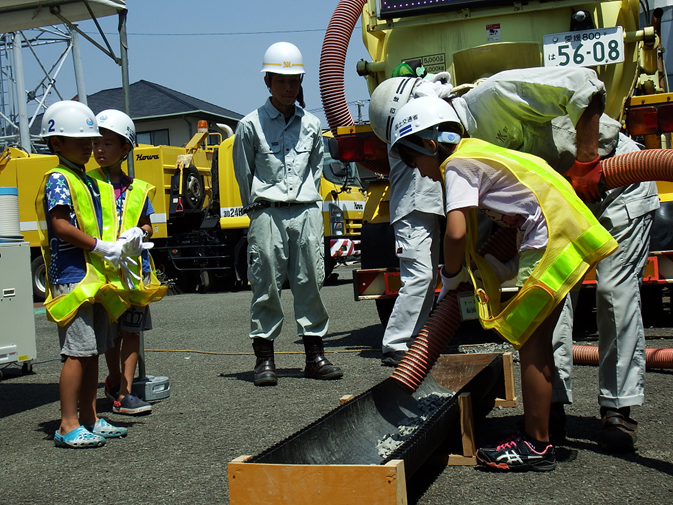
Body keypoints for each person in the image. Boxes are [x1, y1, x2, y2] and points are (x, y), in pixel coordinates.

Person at [370, 66, 657, 451]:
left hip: (610, 179)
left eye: (411, 153)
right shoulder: (464, 155)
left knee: (612, 293)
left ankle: (616, 412)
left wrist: (587, 163)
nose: (418, 172)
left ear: (424, 133)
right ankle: (549, 415)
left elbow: (586, 85)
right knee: (544, 320)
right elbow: (483, 240)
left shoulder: (492, 99)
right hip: (557, 212)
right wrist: (466, 281)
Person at [233, 42, 342, 386]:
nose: (288, 87)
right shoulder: (249, 125)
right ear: (267, 81)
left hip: (306, 211)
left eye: (294, 80)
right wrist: (257, 214)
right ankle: (265, 360)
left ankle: (315, 356)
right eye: (281, 80)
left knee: (310, 280)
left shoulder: (312, 124)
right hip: (266, 211)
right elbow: (243, 175)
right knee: (265, 283)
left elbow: (316, 170)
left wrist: (309, 202)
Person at [35, 100, 131, 447]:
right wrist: (99, 245)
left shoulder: (83, 178)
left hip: (93, 276)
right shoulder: (60, 178)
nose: (90, 148)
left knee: (93, 350)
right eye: (82, 141)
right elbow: (60, 225)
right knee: (76, 352)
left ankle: (89, 417)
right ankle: (67, 423)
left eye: (92, 142)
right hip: (73, 276)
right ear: (56, 142)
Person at [89, 109, 163, 415]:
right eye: (96, 144)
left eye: (107, 143)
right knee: (110, 333)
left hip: (134, 272)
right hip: (103, 271)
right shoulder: (86, 183)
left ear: (125, 149)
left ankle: (126, 391)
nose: (99, 150)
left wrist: (140, 231)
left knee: (131, 330)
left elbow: (149, 225)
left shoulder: (138, 189)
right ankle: (115, 380)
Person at [369, 77, 445, 367]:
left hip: (429, 210)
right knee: (419, 278)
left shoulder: (415, 124)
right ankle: (395, 344)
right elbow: (427, 94)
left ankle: (413, 342)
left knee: (426, 282)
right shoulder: (406, 131)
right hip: (412, 213)